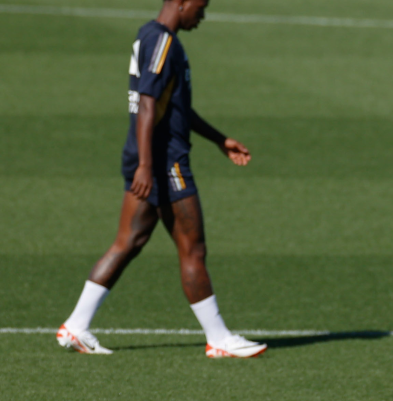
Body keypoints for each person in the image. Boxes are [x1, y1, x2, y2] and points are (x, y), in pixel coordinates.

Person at [56, 0, 267, 358]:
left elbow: (176, 106)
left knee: (129, 242)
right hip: (164, 163)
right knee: (192, 248)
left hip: (150, 159)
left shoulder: (149, 35)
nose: (202, 14)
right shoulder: (164, 42)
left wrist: (219, 138)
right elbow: (147, 102)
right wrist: (145, 165)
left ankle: (75, 326)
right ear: (181, 3)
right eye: (200, 6)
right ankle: (218, 338)